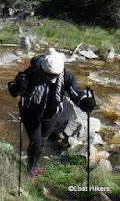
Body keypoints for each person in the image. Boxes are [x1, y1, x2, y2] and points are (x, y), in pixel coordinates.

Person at [8, 48, 96, 178]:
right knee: (36, 142)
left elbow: (75, 92)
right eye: (48, 74)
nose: (51, 78)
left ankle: (33, 164)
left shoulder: (65, 76)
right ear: (42, 70)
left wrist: (85, 102)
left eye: (54, 75)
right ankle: (31, 169)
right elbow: (13, 89)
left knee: (42, 143)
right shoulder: (32, 72)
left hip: (51, 114)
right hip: (30, 112)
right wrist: (18, 86)